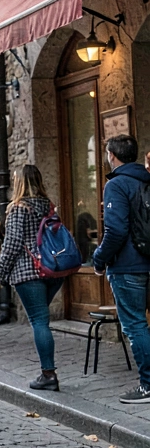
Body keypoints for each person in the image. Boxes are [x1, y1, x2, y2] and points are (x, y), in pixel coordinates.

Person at [0, 165, 65, 391]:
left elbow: (12, 243)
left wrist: (1, 272)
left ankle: (48, 374)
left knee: (39, 321)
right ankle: (48, 372)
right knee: (41, 318)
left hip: (29, 272)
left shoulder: (18, 209)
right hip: (53, 271)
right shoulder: (48, 206)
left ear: (19, 183)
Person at [91, 135, 150, 404]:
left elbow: (115, 230)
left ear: (112, 156)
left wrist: (99, 259)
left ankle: (147, 384)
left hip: (128, 265)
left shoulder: (116, 184)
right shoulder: (145, 179)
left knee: (136, 325)